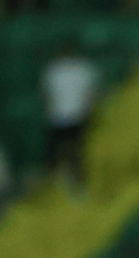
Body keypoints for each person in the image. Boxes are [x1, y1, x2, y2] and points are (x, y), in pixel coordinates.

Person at [42, 42, 100, 187]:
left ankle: (79, 179)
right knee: (57, 151)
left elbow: (91, 93)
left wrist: (87, 112)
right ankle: (57, 180)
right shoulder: (54, 69)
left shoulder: (84, 68)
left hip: (79, 117)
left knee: (78, 150)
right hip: (59, 118)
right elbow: (47, 95)